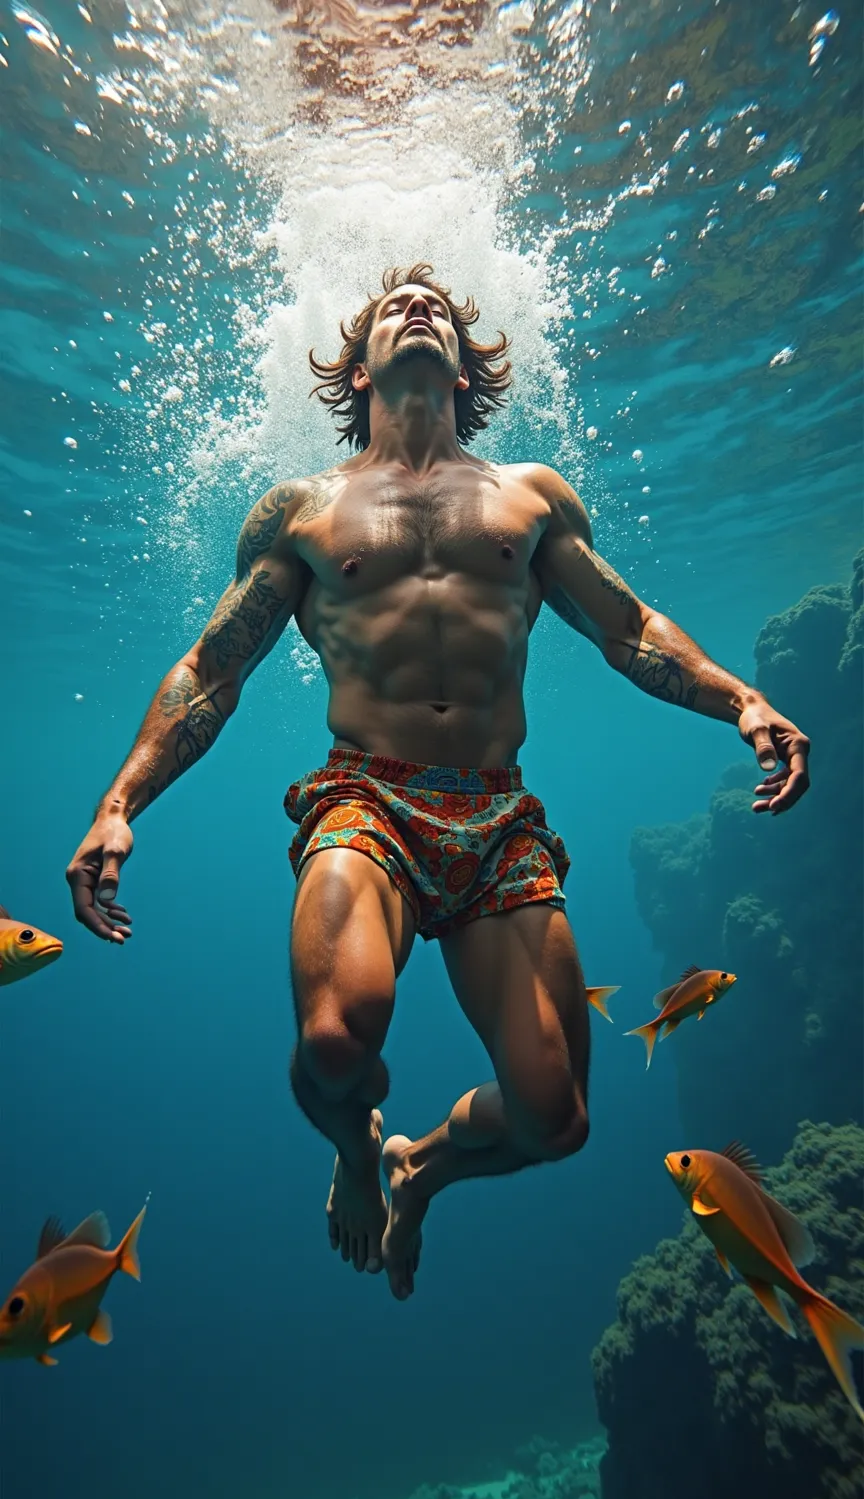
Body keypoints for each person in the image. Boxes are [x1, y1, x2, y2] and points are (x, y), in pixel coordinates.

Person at [66, 263, 811, 1301]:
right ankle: (356, 1149)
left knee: (558, 1120)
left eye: (441, 310)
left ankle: (421, 1167)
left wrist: (743, 700)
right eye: (392, 309)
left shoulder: (531, 496)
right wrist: (117, 805)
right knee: (333, 1044)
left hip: (498, 819)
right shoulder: (301, 512)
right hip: (363, 799)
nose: (419, 310)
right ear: (356, 370)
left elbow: (630, 629)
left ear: (467, 369)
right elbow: (209, 671)